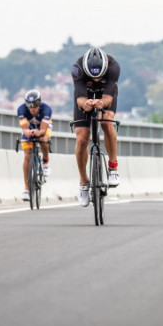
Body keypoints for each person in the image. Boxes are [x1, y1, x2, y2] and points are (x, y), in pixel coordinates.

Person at [72, 46, 121, 207]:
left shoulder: (113, 66)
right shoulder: (77, 68)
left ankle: (113, 168)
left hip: (105, 95)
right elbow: (80, 98)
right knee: (81, 139)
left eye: (99, 77)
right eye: (93, 77)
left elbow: (108, 98)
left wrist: (101, 103)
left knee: (106, 122)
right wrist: (85, 103)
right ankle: (83, 182)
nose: (96, 80)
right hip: (84, 96)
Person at [17, 89, 52, 201]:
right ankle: (26, 189)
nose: (32, 108)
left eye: (35, 105)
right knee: (27, 155)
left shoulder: (46, 110)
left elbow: (43, 130)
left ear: (40, 103)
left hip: (43, 128)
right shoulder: (21, 109)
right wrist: (27, 132)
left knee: (43, 139)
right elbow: (24, 128)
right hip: (30, 128)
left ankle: (45, 161)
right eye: (29, 105)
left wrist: (39, 132)